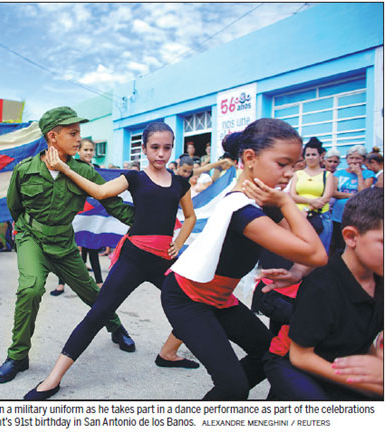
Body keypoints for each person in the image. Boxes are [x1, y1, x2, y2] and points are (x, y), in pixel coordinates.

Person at [25, 121, 198, 400]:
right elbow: (100, 192)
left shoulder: (179, 183)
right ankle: (53, 378)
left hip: (163, 260)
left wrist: (178, 243)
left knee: (196, 303)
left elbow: (190, 216)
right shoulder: (135, 178)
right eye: (155, 147)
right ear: (144, 149)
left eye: (167, 148)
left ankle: (168, 353)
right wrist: (66, 169)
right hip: (134, 256)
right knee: (98, 313)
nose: (161, 154)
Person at [160, 118, 328, 400]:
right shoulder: (242, 209)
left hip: (220, 299)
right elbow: (318, 253)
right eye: (282, 164)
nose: (290, 174)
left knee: (268, 354)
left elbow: (308, 251)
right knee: (234, 386)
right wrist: (288, 202)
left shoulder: (263, 204)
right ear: (250, 158)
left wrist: (298, 271)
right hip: (188, 299)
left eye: (295, 165)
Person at [0, 106, 137, 384]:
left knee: (91, 293)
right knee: (30, 288)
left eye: (79, 133)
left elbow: (112, 204)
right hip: (31, 238)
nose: (78, 140)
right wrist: (23, 232)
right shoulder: (25, 170)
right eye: (72, 134)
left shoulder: (82, 171)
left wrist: (148, 223)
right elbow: (15, 206)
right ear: (52, 137)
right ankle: (17, 356)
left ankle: (116, 327)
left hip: (63, 242)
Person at [264, 187, 383, 399]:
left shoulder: (378, 279)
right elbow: (301, 357)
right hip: (292, 361)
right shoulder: (323, 286)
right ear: (351, 237)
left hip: (338, 360)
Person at [52, 139, 105, 296]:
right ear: (79, 151)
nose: (88, 153)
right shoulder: (71, 167)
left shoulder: (97, 169)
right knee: (68, 249)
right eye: (85, 150)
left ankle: (99, 283)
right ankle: (61, 283)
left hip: (92, 214)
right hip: (75, 213)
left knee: (93, 248)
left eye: (91, 150)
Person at [289, 137, 335, 251]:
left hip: (320, 216)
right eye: (307, 155)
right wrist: (310, 201)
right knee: (299, 251)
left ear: (320, 156)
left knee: (320, 251)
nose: (310, 158)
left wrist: (308, 209)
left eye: (313, 154)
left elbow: (326, 197)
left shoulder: (327, 175)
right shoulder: (298, 174)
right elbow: (292, 195)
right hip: (299, 216)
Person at [330, 145, 375, 255]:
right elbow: (333, 192)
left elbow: (364, 193)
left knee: (353, 244)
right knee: (337, 245)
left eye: (357, 158)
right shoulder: (339, 173)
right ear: (346, 159)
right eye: (351, 158)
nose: (354, 161)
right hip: (338, 216)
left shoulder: (368, 174)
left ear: (363, 160)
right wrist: (352, 195)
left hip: (357, 217)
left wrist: (359, 174)